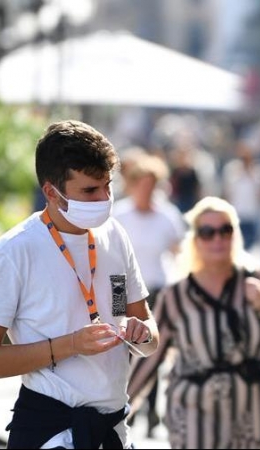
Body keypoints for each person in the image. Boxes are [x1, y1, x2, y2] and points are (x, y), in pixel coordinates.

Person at [0, 120, 160, 449]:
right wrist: (69, 345)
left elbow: (149, 334)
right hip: (50, 431)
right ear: (51, 192)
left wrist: (143, 335)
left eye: (107, 187)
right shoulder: (12, 252)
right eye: (89, 191)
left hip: (113, 428)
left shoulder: (115, 234)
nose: (104, 199)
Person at [126, 196, 260, 448]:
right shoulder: (177, 295)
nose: (218, 239)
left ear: (235, 234)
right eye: (207, 232)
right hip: (193, 416)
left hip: (250, 413)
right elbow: (152, 356)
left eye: (225, 230)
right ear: (195, 239)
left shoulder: (259, 282)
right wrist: (122, 409)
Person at [113, 149, 186, 438]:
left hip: (155, 289)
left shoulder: (168, 216)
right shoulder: (119, 214)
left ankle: (153, 411)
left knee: (152, 348)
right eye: (141, 183)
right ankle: (123, 403)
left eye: (151, 184)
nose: (146, 190)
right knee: (122, 350)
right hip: (120, 288)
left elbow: (181, 252)